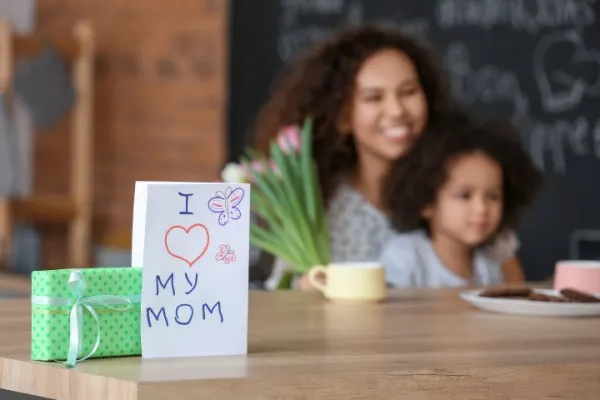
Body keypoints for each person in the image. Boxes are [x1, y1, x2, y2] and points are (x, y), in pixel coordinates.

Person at [251, 23, 526, 290]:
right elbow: (284, 292)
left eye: (408, 92)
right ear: (343, 116)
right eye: (373, 97)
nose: (396, 111)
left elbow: (515, 290)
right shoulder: (317, 204)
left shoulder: (465, 184)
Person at [381, 118, 543, 287]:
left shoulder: (490, 263)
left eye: (492, 197)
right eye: (465, 196)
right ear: (426, 203)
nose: (481, 209)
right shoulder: (404, 256)